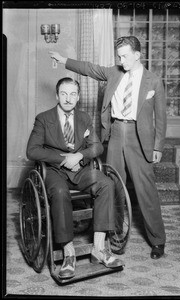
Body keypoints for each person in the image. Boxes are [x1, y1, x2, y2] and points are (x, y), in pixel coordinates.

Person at [49, 35, 167, 259]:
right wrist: (64, 60)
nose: (121, 60)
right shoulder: (114, 72)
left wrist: (158, 146)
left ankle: (158, 240)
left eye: (124, 56)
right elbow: (89, 69)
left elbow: (161, 118)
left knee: (146, 190)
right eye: (118, 56)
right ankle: (114, 235)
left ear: (137, 55)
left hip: (138, 138)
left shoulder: (153, 81)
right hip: (114, 134)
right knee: (113, 186)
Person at [26, 77, 124, 279]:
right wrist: (63, 159)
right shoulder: (43, 118)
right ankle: (68, 253)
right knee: (60, 192)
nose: (68, 98)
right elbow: (32, 151)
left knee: (106, 183)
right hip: (55, 171)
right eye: (64, 93)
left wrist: (80, 155)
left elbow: (97, 146)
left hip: (80, 169)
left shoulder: (84, 118)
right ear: (57, 95)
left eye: (72, 94)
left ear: (78, 97)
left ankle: (99, 248)